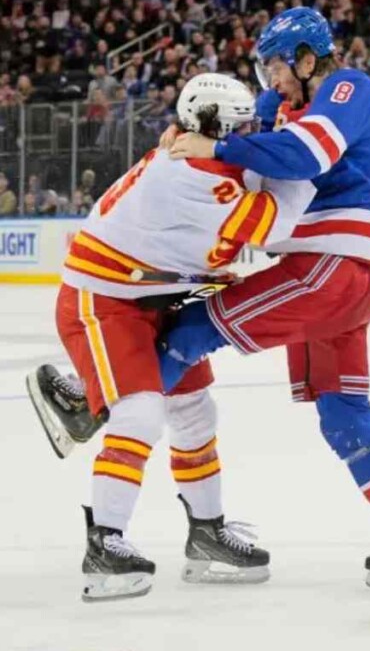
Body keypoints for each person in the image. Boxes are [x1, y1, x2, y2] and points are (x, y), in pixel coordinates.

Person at [32, 8, 370, 608]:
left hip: (326, 269)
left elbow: (302, 156)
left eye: (279, 67)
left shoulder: (347, 88)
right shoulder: (276, 107)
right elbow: (226, 128)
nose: (271, 81)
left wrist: (213, 144)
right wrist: (192, 138)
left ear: (310, 59)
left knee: (192, 327)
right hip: (331, 283)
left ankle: (87, 400)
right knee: (346, 421)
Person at [28, 73, 314, 600]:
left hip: (152, 297)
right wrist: (311, 160)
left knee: (196, 411)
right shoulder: (193, 175)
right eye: (240, 123)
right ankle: (105, 541)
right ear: (212, 125)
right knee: (141, 412)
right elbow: (279, 221)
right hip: (105, 301)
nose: (248, 130)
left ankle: (206, 532)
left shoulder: (197, 152)